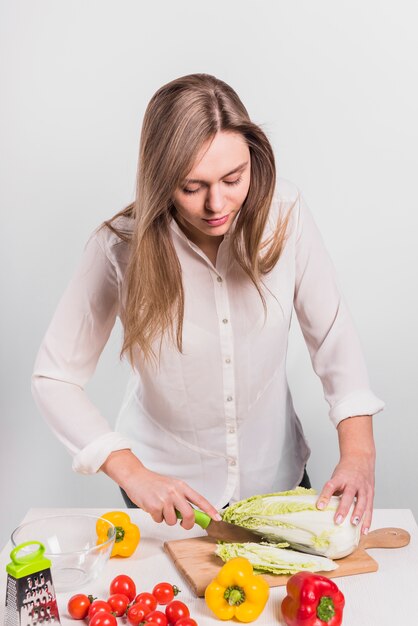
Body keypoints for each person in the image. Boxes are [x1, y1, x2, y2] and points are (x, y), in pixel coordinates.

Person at [32, 73, 384, 535]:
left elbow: (333, 335)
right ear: (159, 179)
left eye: (233, 178)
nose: (217, 203)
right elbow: (54, 377)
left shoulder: (287, 215)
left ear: (254, 160)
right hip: (166, 498)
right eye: (192, 187)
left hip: (277, 481)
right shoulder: (118, 247)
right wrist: (133, 473)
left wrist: (358, 453)